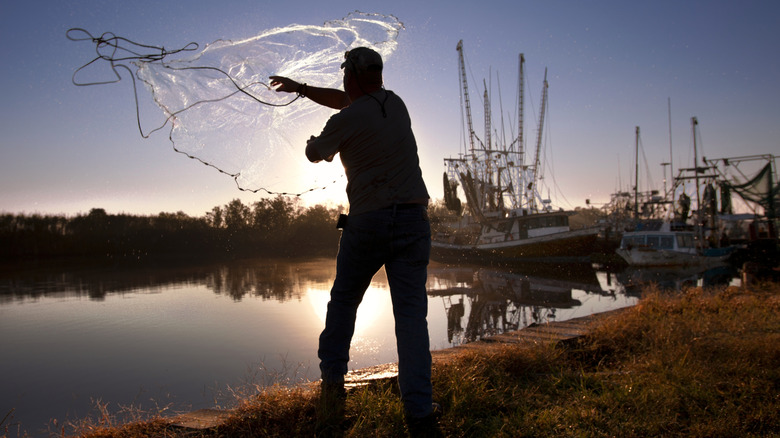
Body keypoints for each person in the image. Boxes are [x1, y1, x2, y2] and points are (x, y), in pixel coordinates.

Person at [270, 48, 440, 436]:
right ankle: (419, 413)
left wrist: (317, 139)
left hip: (368, 222)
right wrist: (302, 89)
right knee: (412, 319)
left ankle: (332, 391)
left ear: (353, 76)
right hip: (414, 220)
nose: (344, 81)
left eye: (346, 74)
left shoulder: (345, 119)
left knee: (344, 301)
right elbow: (348, 100)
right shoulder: (395, 104)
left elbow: (316, 153)